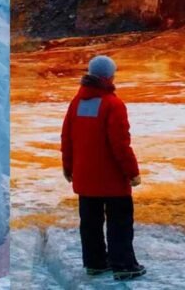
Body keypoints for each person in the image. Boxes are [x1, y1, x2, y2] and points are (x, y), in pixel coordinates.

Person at [60, 55, 145, 281]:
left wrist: (68, 166)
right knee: (120, 222)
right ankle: (124, 265)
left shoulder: (76, 103)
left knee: (90, 223)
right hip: (112, 180)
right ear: (109, 76)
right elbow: (120, 144)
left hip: (85, 177)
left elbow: (67, 137)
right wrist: (132, 172)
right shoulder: (112, 104)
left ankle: (95, 263)